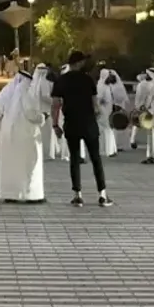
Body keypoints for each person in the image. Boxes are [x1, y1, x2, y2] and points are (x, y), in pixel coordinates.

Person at [51, 50, 110, 207]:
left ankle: (78, 195)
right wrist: (96, 115)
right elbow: (95, 105)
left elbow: (55, 105)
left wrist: (55, 124)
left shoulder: (61, 81)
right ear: (78, 63)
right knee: (96, 159)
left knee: (75, 160)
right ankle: (102, 195)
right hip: (88, 123)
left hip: (71, 123)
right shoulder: (88, 80)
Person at [0, 67, 45, 203]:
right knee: (29, 165)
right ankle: (31, 194)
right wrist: (42, 117)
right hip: (25, 135)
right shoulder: (25, 91)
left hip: (8, 134)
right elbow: (31, 113)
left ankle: (11, 193)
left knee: (11, 165)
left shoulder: (8, 92)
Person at [96, 67, 127, 158]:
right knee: (105, 130)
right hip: (103, 110)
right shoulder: (101, 86)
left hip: (107, 110)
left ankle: (109, 149)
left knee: (108, 129)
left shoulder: (105, 86)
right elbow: (99, 99)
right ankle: (107, 150)